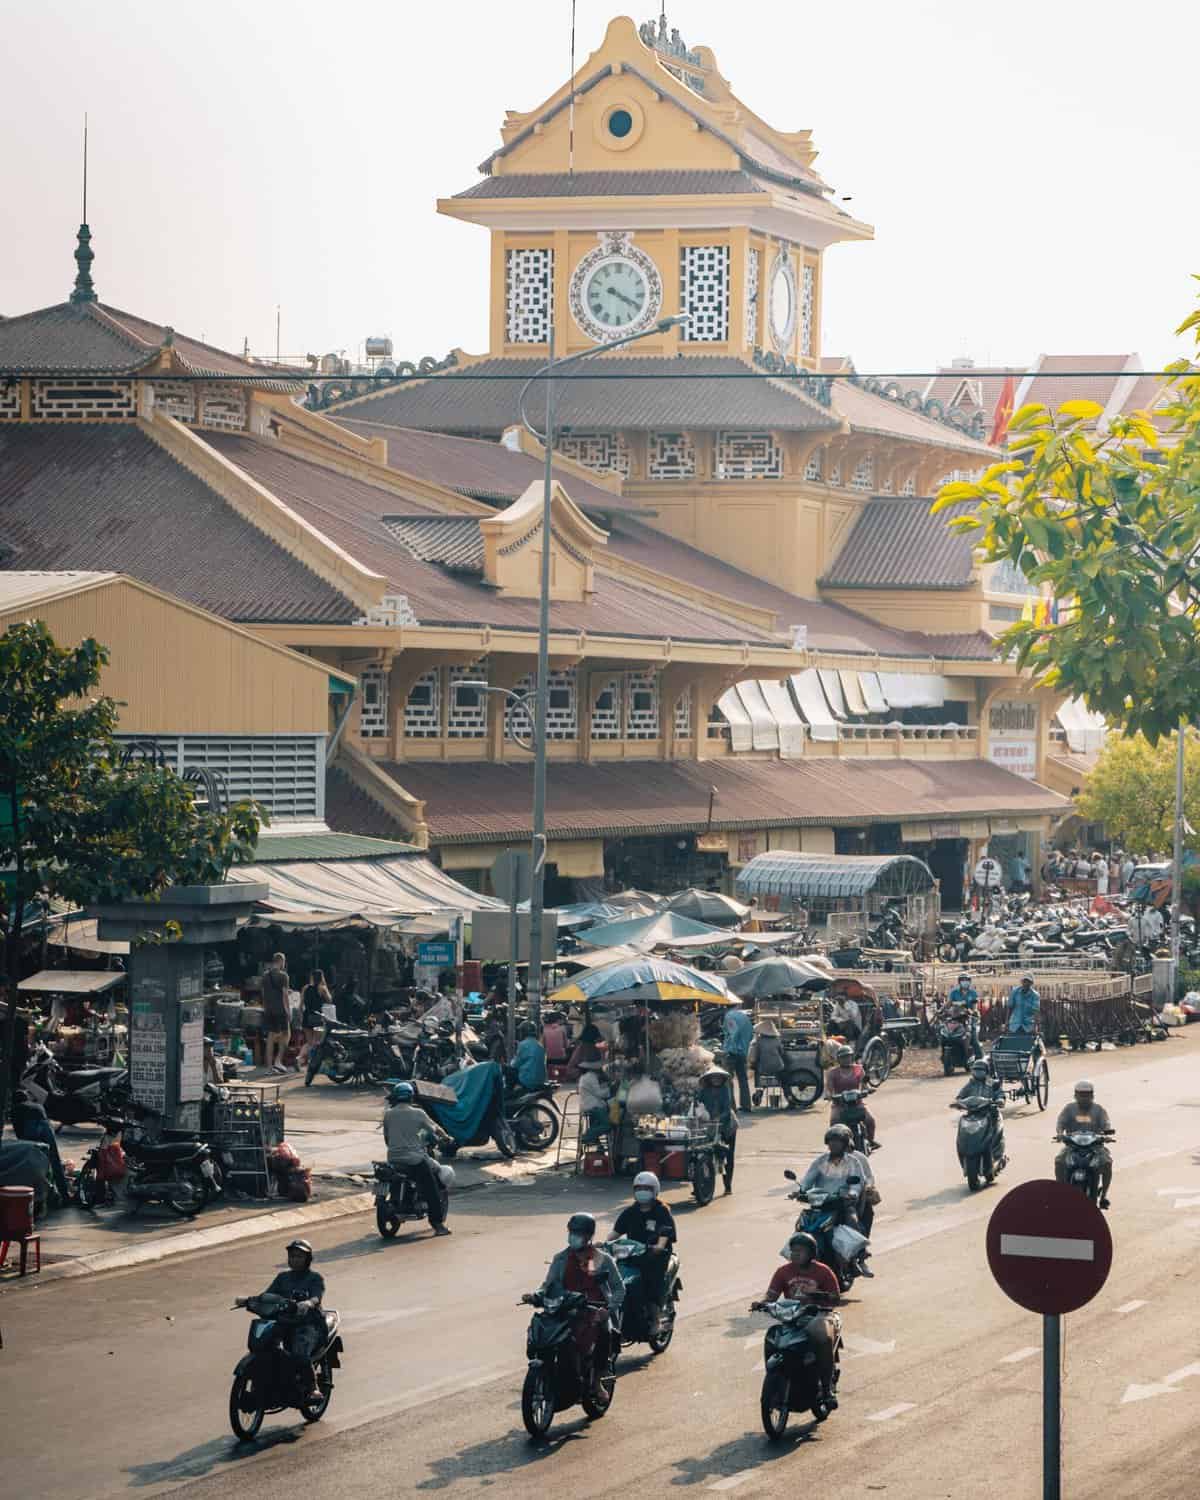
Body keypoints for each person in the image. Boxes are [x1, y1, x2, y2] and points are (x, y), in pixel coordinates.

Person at [535, 1212, 624, 1387]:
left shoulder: (600, 1258)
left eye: (578, 1233)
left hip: (594, 1308)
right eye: (571, 1232)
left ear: (589, 1236)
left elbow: (619, 1288)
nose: (573, 1237)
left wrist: (609, 1309)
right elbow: (548, 1285)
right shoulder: (560, 1259)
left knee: (604, 1332)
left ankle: (598, 1380)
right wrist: (536, 1295)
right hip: (565, 1306)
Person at [752, 1232, 841, 1407]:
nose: (795, 1255)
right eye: (793, 1251)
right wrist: (762, 1304)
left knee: (822, 1338)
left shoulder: (823, 1271)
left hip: (820, 1314)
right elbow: (771, 1296)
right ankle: (776, 1382)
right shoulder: (783, 1272)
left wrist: (819, 1296)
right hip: (793, 1315)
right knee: (771, 1337)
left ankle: (826, 1390)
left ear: (811, 1253)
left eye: (800, 1251)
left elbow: (835, 1298)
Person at [236, 1239, 325, 1397]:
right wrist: (249, 1300)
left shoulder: (315, 1278)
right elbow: (268, 1296)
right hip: (284, 1322)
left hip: (307, 1324)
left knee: (300, 1354)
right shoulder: (282, 1278)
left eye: (299, 1256)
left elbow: (316, 1296)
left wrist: (308, 1303)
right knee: (265, 1346)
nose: (295, 1259)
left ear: (308, 1259)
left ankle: (313, 1388)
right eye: (292, 1256)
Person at [382, 1081, 454, 1235]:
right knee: (431, 1188)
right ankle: (438, 1225)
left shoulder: (388, 1114)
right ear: (411, 1097)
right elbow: (435, 1129)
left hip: (393, 1159)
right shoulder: (418, 1113)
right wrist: (446, 1137)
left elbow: (387, 1139)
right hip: (414, 1160)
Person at [799, 1124, 875, 1262]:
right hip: (821, 1203)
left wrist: (852, 1193)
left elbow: (857, 1183)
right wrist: (800, 1191)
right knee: (802, 1223)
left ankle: (860, 1251)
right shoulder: (820, 1161)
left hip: (843, 1203)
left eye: (838, 1142)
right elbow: (808, 1179)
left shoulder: (854, 1161)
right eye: (831, 1142)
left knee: (852, 1219)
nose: (833, 1145)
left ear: (845, 1144)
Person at [612, 1170, 676, 1322]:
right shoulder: (630, 1212)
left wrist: (659, 1246)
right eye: (639, 1189)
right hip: (632, 1255)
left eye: (646, 1189)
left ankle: (655, 1320)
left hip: (655, 1257)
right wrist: (603, 1243)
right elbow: (616, 1232)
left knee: (651, 1286)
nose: (642, 1192)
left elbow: (665, 1233)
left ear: (655, 1191)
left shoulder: (662, 1211)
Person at [1055, 1080, 1114, 1207]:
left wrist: (1106, 1134)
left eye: (1087, 1094)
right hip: (1072, 1147)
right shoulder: (1069, 1109)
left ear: (1092, 1095)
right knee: (1059, 1161)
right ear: (1075, 1095)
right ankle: (1059, 1190)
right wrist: (1060, 1134)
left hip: (1095, 1147)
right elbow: (1061, 1122)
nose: (1084, 1098)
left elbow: (1106, 1124)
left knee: (1107, 1163)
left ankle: (1104, 1195)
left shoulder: (1099, 1110)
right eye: (1081, 1094)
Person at [11, 1087, 71, 1204]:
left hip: (30, 1127)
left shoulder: (16, 1108)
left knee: (33, 1161)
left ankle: (38, 1197)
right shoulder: (37, 1105)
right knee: (54, 1160)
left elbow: (19, 1131)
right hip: (45, 1125)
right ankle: (65, 1195)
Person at [825, 1044, 879, 1148]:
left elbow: (864, 1085)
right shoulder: (832, 1073)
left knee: (870, 1120)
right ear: (838, 1059)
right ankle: (833, 1145)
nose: (846, 1059)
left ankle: (871, 1141)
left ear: (852, 1057)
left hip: (857, 1103)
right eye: (843, 1057)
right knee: (834, 1122)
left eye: (848, 1056)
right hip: (839, 1105)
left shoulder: (859, 1069)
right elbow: (828, 1089)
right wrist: (829, 1095)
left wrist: (868, 1090)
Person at [954, 1059, 1006, 1163]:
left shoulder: (993, 1083)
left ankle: (996, 1153)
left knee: (995, 1131)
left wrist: (1000, 1100)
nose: (978, 1073)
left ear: (987, 1071)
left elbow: (1000, 1094)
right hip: (973, 1115)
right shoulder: (970, 1084)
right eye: (975, 1070)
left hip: (990, 1114)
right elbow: (960, 1096)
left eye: (981, 1070)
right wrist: (959, 1103)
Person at [696, 1066, 738, 1193]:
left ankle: (728, 1185)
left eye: (718, 1078)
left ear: (722, 1079)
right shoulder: (704, 1091)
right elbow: (698, 1105)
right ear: (709, 1079)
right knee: (705, 1154)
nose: (716, 1080)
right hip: (710, 1126)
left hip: (727, 1126)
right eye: (713, 1077)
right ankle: (701, 1183)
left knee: (727, 1155)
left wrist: (719, 1118)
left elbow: (727, 1109)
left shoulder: (725, 1090)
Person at [261, 953, 291, 1073]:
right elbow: (285, 996)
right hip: (280, 1010)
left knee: (270, 1037)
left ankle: (269, 1067)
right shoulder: (283, 976)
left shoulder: (265, 975)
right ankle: (278, 1060)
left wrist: (266, 1007)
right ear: (280, 961)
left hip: (269, 1010)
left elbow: (263, 994)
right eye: (284, 962)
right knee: (287, 1033)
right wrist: (288, 1011)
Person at [722, 1002, 754, 1111]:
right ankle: (746, 1105)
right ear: (738, 1005)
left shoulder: (729, 1016)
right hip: (743, 1052)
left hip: (732, 1052)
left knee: (728, 1080)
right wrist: (744, 1047)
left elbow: (733, 1032)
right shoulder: (744, 1017)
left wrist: (732, 1046)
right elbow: (751, 1034)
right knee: (743, 1080)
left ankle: (732, 1107)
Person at [750, 1018, 788, 1105]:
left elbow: (756, 1055)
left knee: (761, 1076)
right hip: (777, 1067)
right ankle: (789, 1097)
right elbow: (782, 1052)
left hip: (763, 1067)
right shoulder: (777, 1040)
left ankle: (759, 1091)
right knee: (784, 1079)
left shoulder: (758, 1041)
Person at [300, 970, 332, 1066]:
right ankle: (310, 1061)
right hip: (317, 1017)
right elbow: (330, 1000)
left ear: (312, 977)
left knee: (310, 1042)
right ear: (321, 978)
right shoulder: (322, 988)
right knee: (317, 1042)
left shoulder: (305, 988)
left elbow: (300, 1005)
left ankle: (301, 1059)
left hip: (306, 1016)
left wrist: (301, 1016)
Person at [948, 972, 983, 1060]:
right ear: (959, 982)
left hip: (970, 1018)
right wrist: (940, 1010)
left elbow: (974, 1007)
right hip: (956, 1018)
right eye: (962, 980)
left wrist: (972, 1011)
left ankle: (980, 1059)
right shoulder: (954, 993)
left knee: (974, 1039)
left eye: (966, 980)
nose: (965, 982)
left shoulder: (973, 993)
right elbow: (948, 1004)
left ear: (969, 982)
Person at [578, 1062, 612, 1144]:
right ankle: (587, 1136)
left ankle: (595, 1143)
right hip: (594, 1107)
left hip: (589, 1105)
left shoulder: (585, 1077)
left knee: (597, 1125)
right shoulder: (591, 1077)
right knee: (608, 1126)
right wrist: (610, 1088)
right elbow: (600, 1094)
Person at [509, 1022, 547, 1092]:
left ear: (523, 1032)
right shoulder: (540, 1045)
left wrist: (510, 1063)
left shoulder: (523, 1045)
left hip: (527, 1080)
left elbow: (515, 1064)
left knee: (508, 1070)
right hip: (541, 1079)